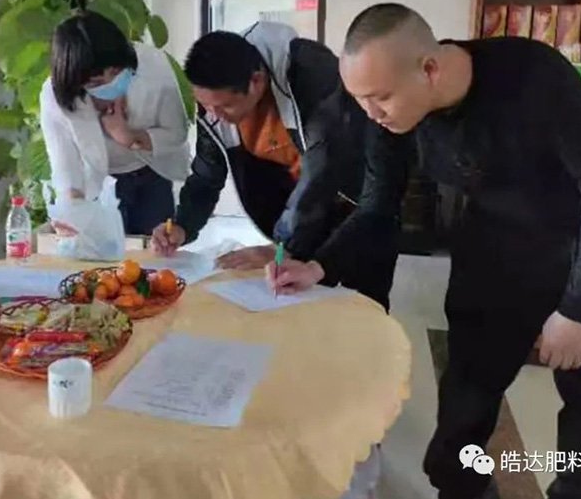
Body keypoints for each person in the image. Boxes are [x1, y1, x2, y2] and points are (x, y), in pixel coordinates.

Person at [269, 3, 581, 499]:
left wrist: (579, 309)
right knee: (460, 427)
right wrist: (318, 266)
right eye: (361, 100)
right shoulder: (391, 118)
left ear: (429, 69)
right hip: (492, 255)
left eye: (380, 99)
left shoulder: (533, 76)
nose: (371, 114)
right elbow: (377, 208)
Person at [151, 22, 398, 308]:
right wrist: (183, 224)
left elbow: (324, 168)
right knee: (305, 304)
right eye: (207, 106)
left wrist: (284, 246)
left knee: (363, 306)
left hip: (359, 206)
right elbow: (207, 173)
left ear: (256, 81)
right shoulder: (216, 101)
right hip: (304, 216)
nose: (214, 116)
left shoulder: (312, 73)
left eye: (225, 106)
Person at [40, 12, 190, 235]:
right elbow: (65, 165)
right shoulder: (55, 96)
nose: (111, 83)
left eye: (116, 72)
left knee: (156, 249)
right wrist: (72, 212)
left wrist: (128, 136)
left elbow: (176, 133)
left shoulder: (153, 66)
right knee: (103, 252)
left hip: (151, 173)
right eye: (97, 82)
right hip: (100, 183)